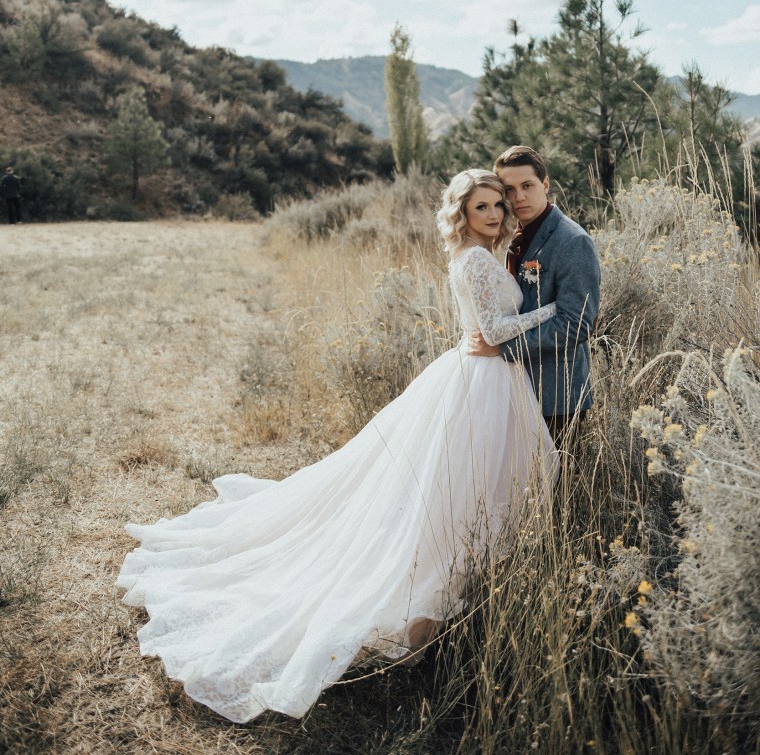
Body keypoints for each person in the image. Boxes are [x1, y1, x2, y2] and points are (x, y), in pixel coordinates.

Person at [117, 169, 558, 723]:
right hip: (481, 380)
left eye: (499, 204)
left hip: (486, 379)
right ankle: (430, 610)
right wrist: (557, 311)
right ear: (462, 215)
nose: (495, 214)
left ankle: (457, 598)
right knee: (458, 495)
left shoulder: (483, 256)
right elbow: (494, 332)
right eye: (483, 207)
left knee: (474, 491)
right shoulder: (473, 260)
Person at [469, 146, 601, 444]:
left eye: (527, 186)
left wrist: (504, 349)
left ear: (545, 184)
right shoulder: (515, 237)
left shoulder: (573, 242)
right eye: (509, 189)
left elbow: (576, 324)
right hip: (516, 389)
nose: (518, 198)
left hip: (556, 395)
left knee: (557, 485)